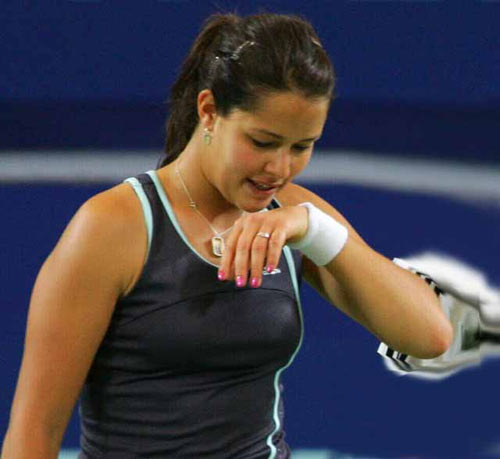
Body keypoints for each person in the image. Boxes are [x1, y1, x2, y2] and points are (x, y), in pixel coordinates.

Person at [1, 12, 453, 459]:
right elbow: (33, 433)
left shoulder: (296, 213)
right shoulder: (110, 227)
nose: (279, 169)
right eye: (262, 142)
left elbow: (430, 336)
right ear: (209, 111)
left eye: (302, 147)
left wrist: (313, 228)